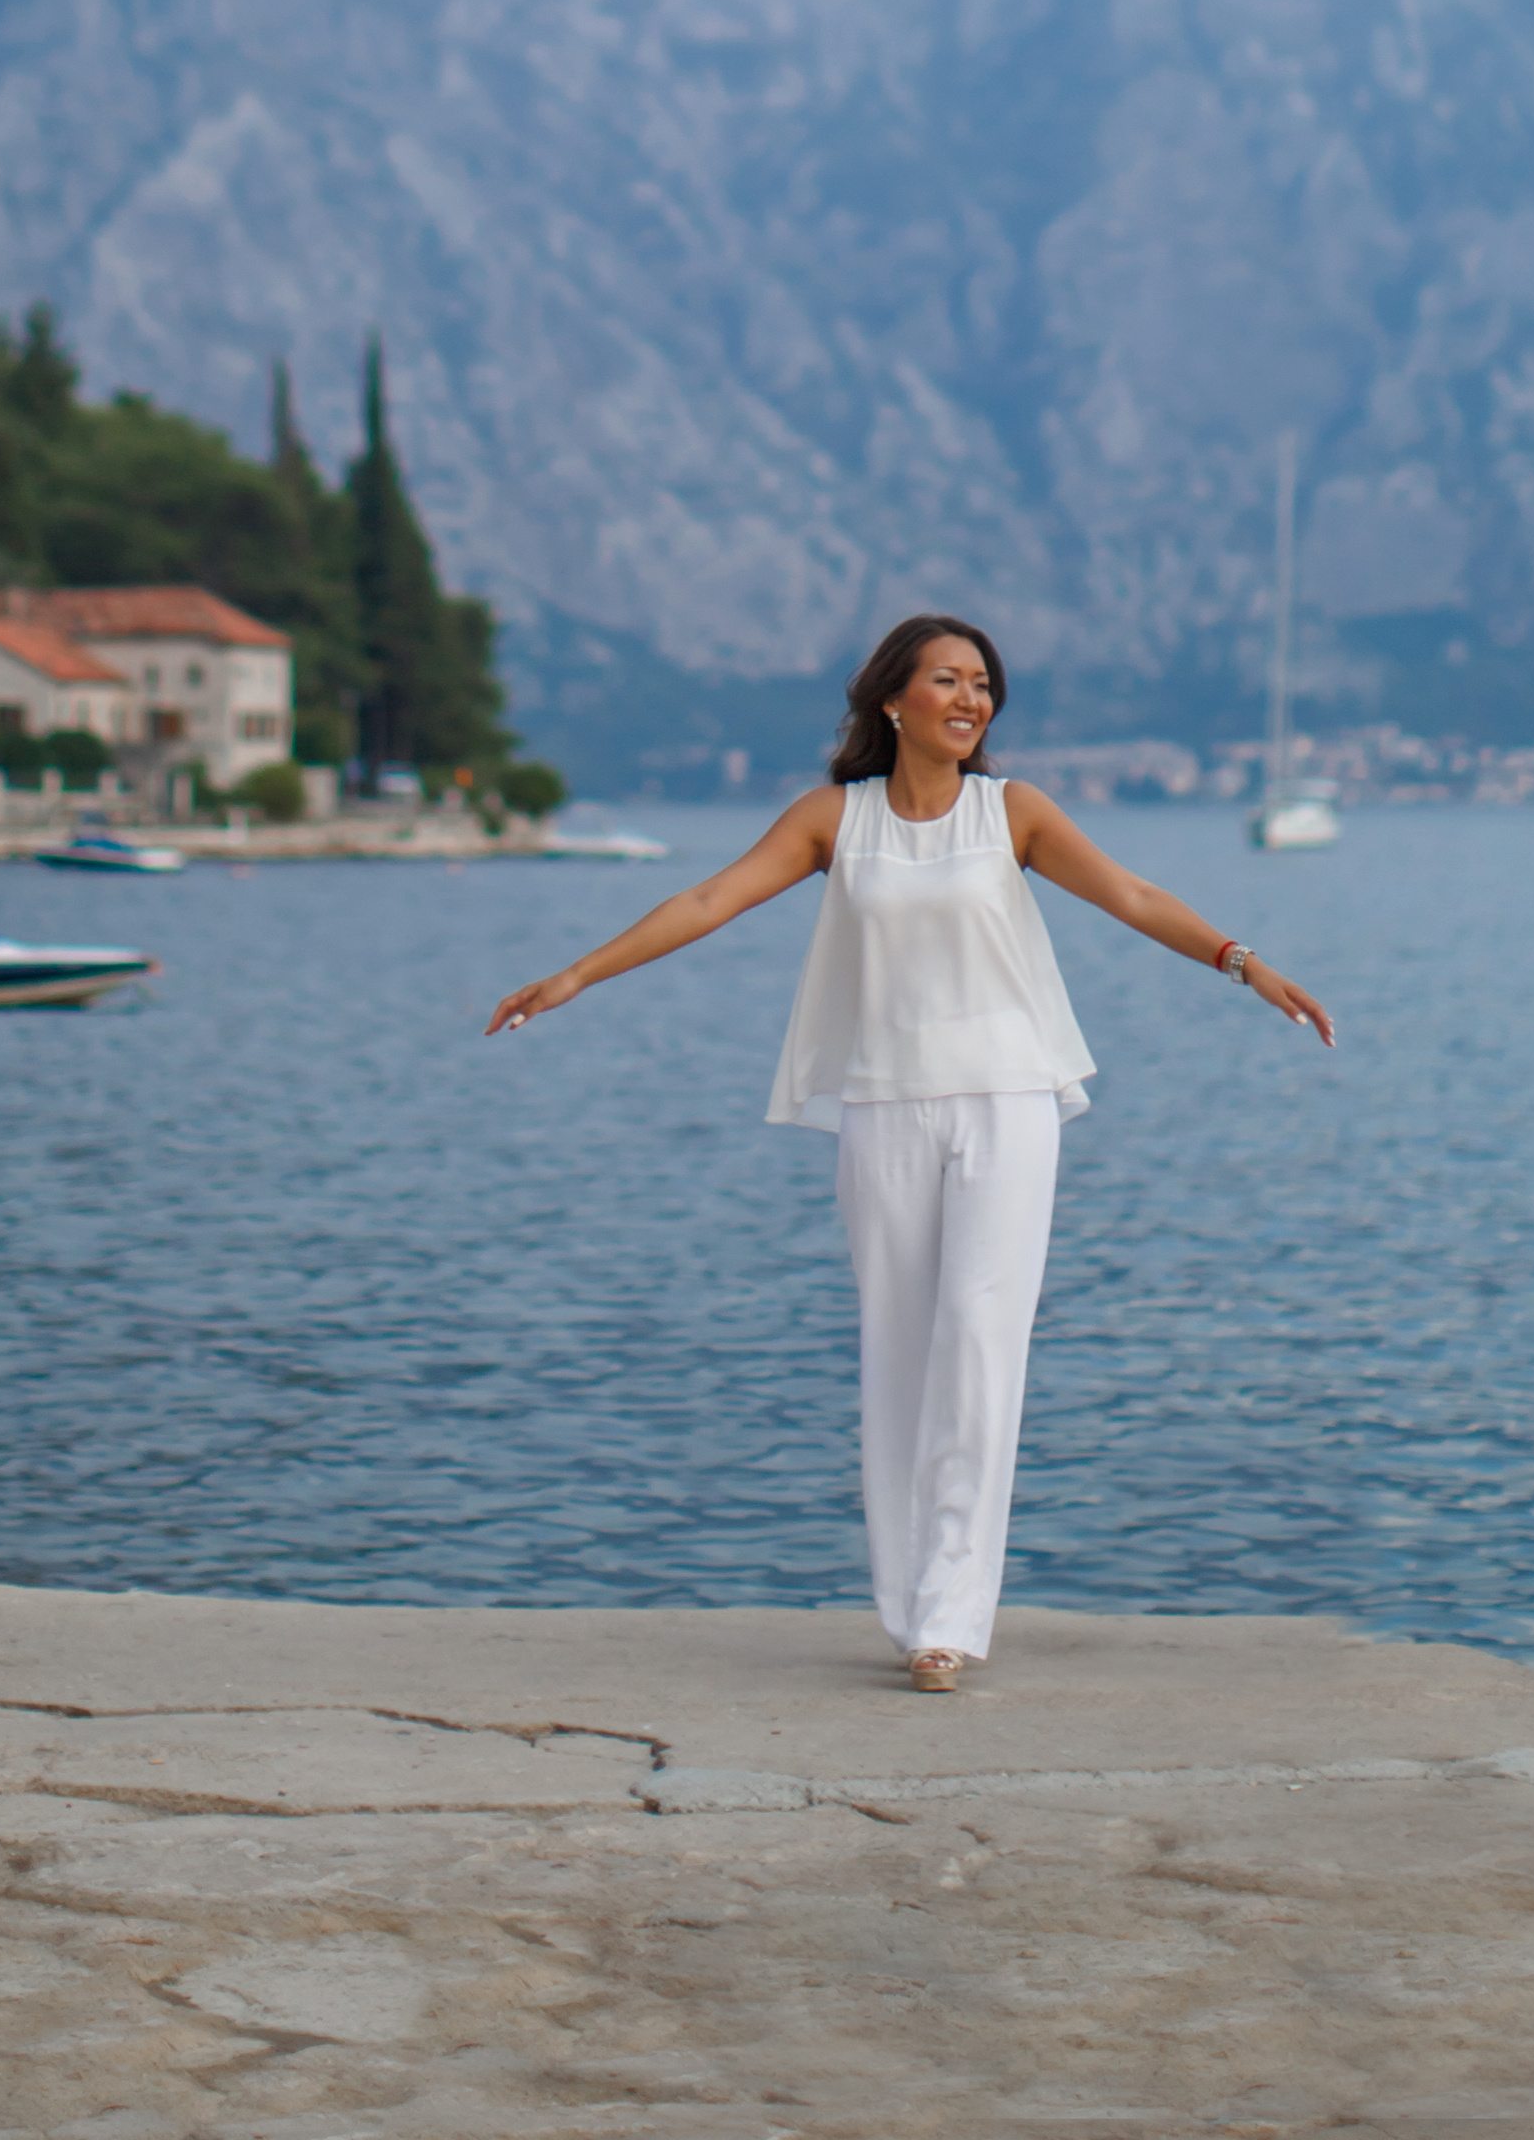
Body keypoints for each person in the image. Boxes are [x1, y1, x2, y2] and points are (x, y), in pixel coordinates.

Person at [485, 612, 1336, 1692]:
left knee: (982, 1341)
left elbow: (1128, 895)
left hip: (1007, 1099)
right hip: (885, 1105)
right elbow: (708, 900)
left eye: (984, 684)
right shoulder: (833, 822)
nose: (972, 699)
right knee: (899, 1349)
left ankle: (951, 1618)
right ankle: (905, 1605)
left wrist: (1241, 961)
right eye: (948, 680)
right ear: (893, 700)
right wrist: (574, 976)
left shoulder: (1011, 813)